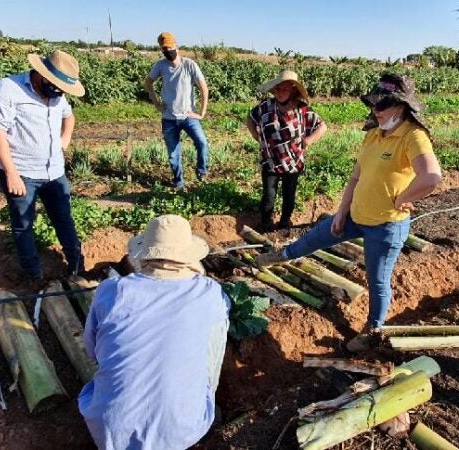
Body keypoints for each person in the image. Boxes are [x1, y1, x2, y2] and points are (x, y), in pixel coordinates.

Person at [256, 74, 442, 352]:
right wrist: (342, 211)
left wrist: (403, 198)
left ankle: (374, 328)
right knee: (311, 240)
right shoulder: (374, 134)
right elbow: (356, 177)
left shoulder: (413, 136)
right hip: (356, 215)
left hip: (386, 226)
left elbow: (431, 177)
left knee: (377, 280)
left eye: (383, 105)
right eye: (374, 105)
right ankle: (278, 256)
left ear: (402, 106)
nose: (376, 110)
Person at [79, 214, 229, 450]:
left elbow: (92, 350)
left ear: (144, 254)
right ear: (188, 257)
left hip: (110, 432)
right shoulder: (211, 294)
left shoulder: (112, 290)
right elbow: (213, 360)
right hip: (181, 433)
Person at [0, 50, 85, 281]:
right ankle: (34, 276)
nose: (58, 91)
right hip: (22, 172)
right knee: (23, 224)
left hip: (54, 171)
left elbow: (68, 116)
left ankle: (77, 267)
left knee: (64, 219)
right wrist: (11, 173)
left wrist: (65, 140)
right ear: (42, 74)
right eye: (55, 85)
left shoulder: (59, 93)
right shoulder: (8, 88)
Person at [246, 70, 328, 231]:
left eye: (284, 89)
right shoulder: (265, 106)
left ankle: (285, 223)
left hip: (293, 162)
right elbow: (250, 119)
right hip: (270, 160)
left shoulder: (302, 109)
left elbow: (322, 126)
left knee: (289, 196)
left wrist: (308, 141)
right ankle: (266, 224)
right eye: (277, 89)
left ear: (292, 90)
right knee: (269, 196)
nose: (279, 92)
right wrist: (258, 138)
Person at [146, 32, 210, 189]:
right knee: (173, 154)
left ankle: (201, 172)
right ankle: (179, 182)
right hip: (169, 118)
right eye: (163, 49)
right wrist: (156, 103)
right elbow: (148, 82)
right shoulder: (161, 65)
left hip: (189, 116)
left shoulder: (189, 64)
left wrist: (201, 112)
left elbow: (204, 88)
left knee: (202, 143)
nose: (167, 51)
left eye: (169, 47)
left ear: (177, 47)